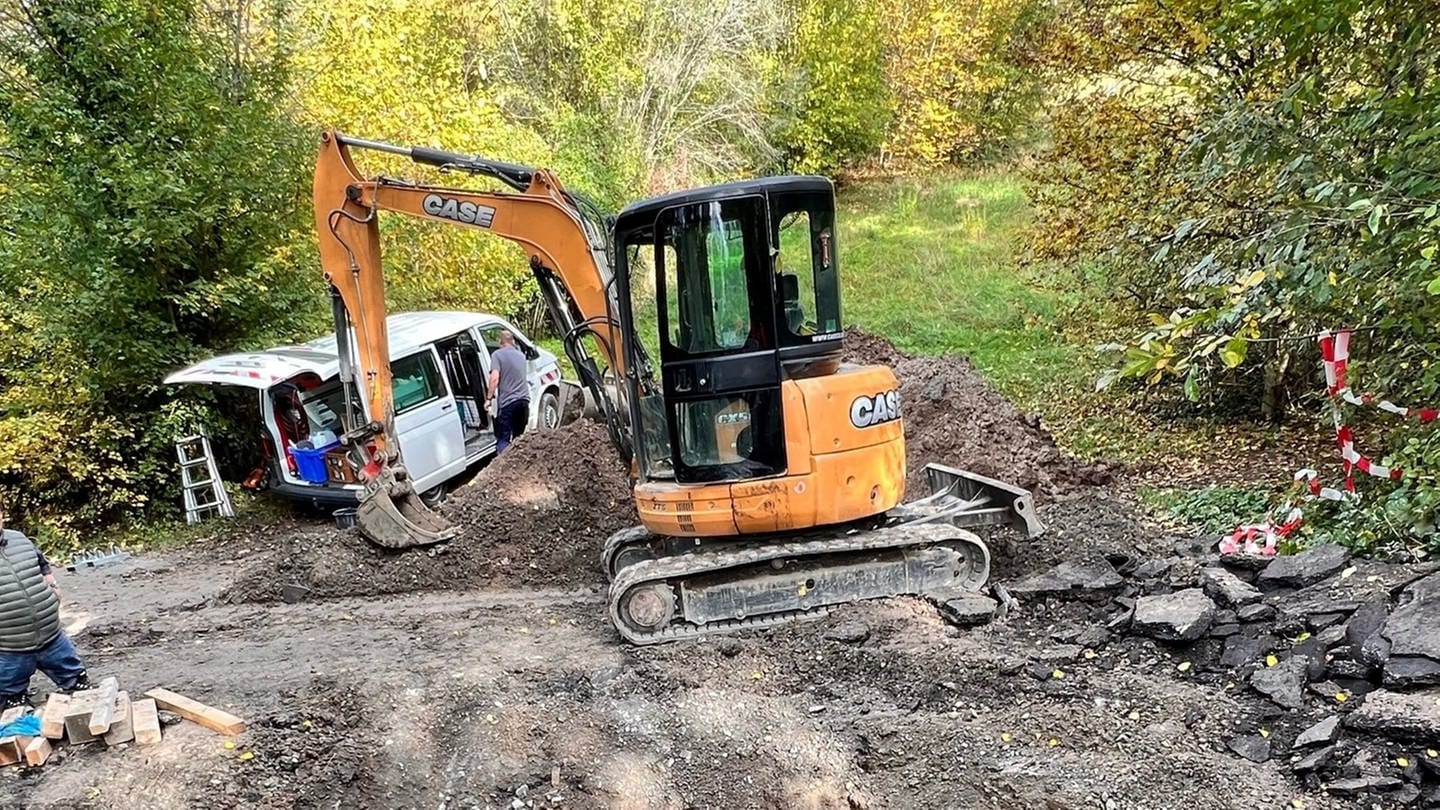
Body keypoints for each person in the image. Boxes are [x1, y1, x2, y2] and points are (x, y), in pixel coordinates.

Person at [0, 505, 91, 710]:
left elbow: (41, 562)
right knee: (12, 705)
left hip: (53, 637)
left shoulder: (18, 538)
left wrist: (53, 586)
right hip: (10, 648)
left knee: (80, 685)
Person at [486, 329, 531, 454]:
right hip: (524, 402)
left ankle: (502, 467)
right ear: (513, 342)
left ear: (500, 341)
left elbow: (494, 378)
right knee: (519, 438)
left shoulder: (497, 355)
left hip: (508, 403)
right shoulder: (521, 356)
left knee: (503, 438)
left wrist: (488, 399)